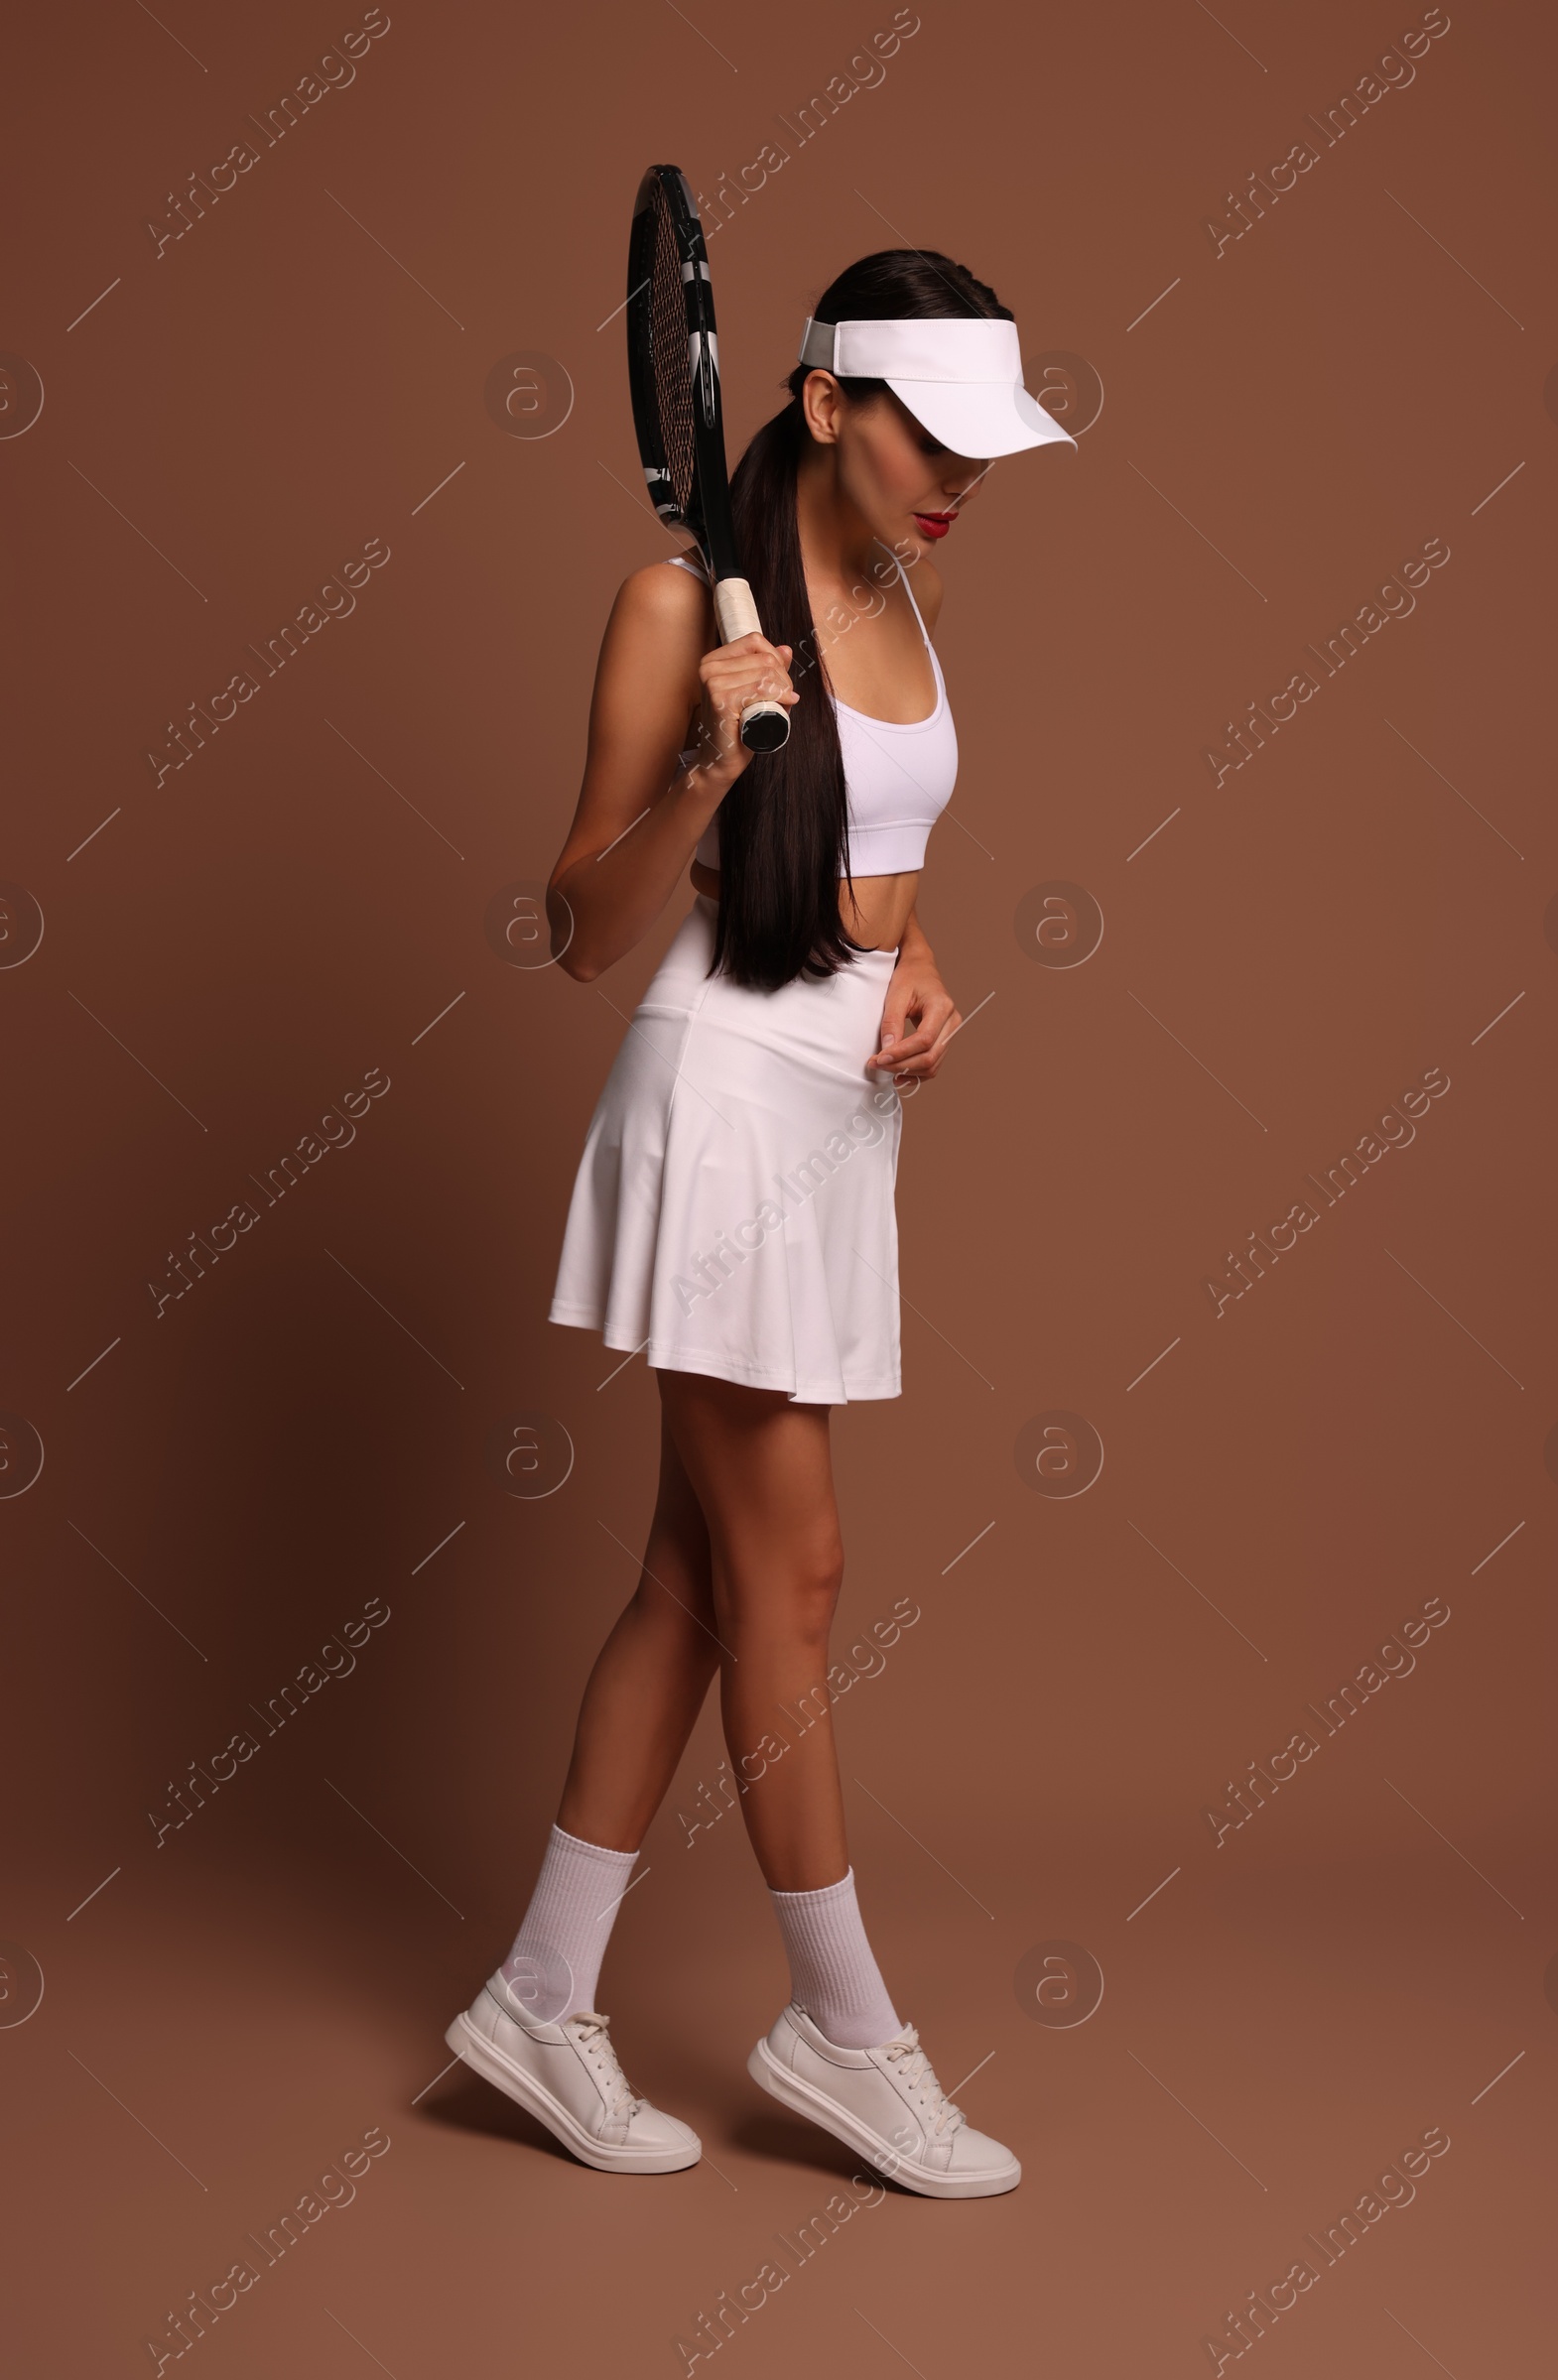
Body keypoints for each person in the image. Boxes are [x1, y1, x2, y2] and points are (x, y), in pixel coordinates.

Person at [446, 247, 1074, 2195]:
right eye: (929, 434)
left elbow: (875, 854)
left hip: (834, 1112)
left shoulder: (913, 581)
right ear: (820, 405)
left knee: (692, 1583)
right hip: (714, 1104)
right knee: (788, 1579)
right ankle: (843, 2029)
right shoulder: (669, 605)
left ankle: (538, 2002)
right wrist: (712, 756)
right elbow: (576, 930)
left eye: (985, 443)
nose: (957, 474)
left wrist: (922, 965)